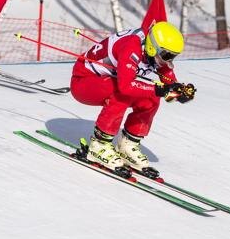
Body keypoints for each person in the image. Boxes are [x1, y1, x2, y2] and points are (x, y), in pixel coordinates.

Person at [70, 22, 197, 178]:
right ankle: (99, 145)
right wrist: (160, 89)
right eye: (167, 55)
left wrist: (179, 93)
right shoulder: (132, 47)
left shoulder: (156, 55)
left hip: (108, 82)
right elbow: (126, 86)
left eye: (173, 56)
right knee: (122, 93)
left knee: (151, 99)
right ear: (152, 47)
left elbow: (168, 86)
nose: (168, 60)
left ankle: (127, 145)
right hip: (84, 82)